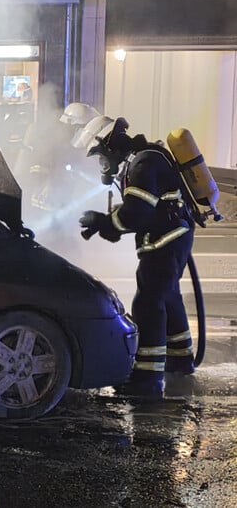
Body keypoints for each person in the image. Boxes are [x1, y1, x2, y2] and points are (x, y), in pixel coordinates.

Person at [77, 115, 195, 399]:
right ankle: (181, 360)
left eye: (101, 156)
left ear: (111, 145)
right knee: (167, 297)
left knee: (148, 302)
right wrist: (110, 224)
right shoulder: (144, 158)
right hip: (170, 239)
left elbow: (137, 212)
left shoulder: (142, 163)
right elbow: (142, 209)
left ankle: (147, 379)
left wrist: (105, 223)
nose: (102, 164)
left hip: (165, 242)